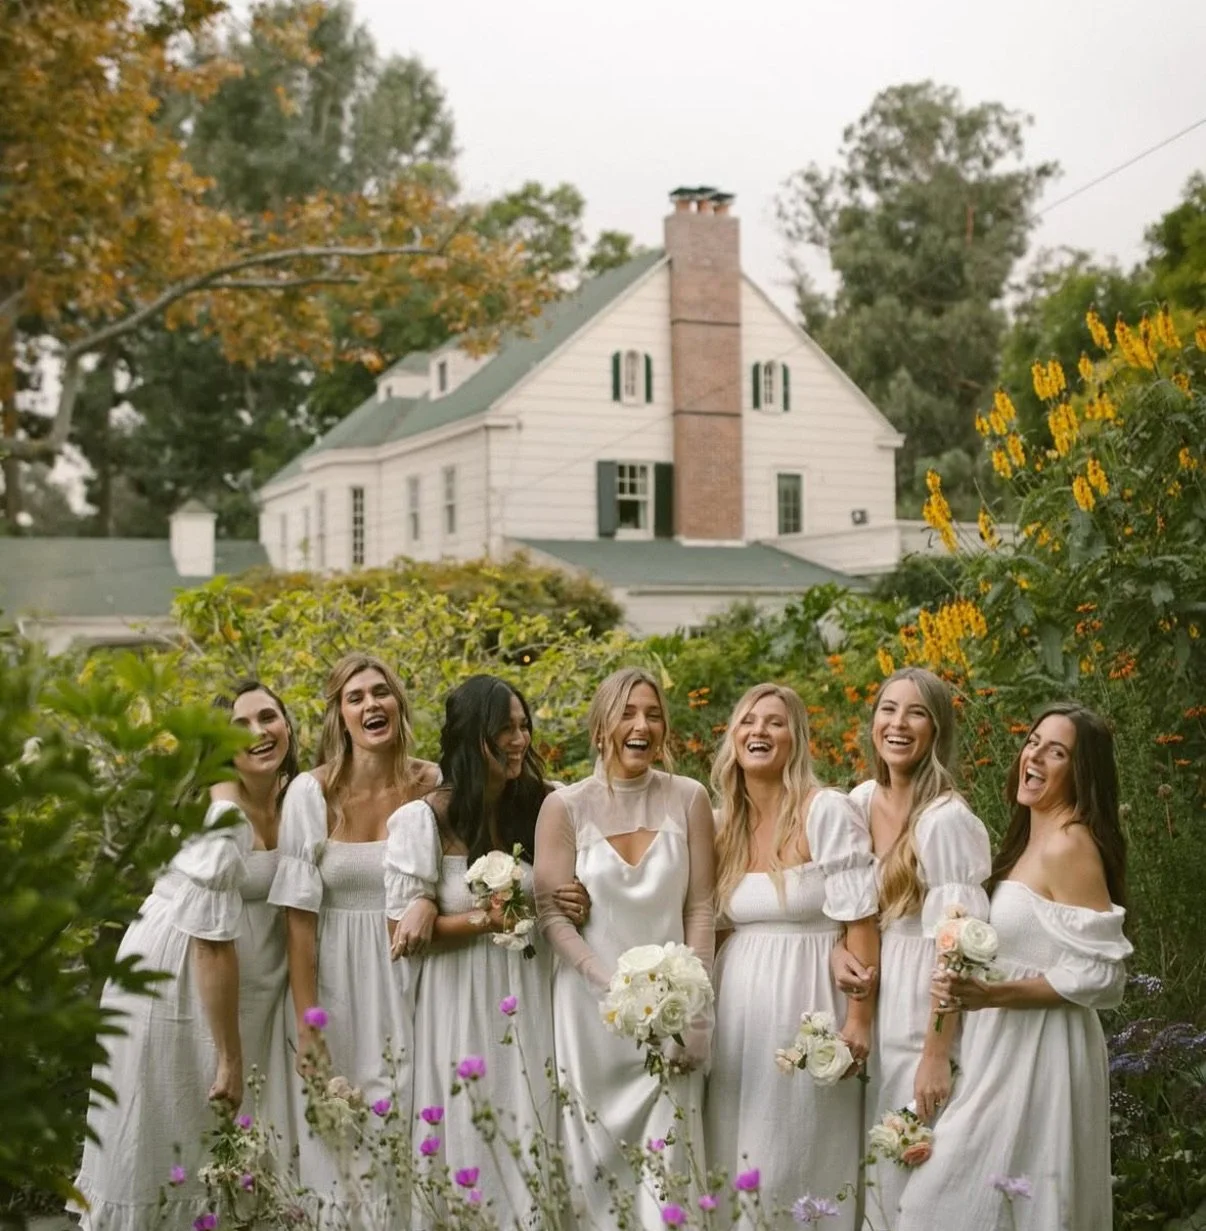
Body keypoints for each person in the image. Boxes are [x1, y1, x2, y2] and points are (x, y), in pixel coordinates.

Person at [896, 703, 1131, 1231]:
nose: (1035, 756)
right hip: (999, 1044)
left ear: (1082, 771)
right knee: (968, 1198)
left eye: (1057, 752)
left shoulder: (1070, 843)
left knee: (948, 1200)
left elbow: (1104, 976)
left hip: (1041, 1051)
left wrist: (995, 995)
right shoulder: (1030, 839)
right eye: (1033, 741)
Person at [74, 680, 299, 1231]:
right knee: (171, 1125)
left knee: (221, 1135)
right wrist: (228, 1055)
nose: (259, 732)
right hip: (176, 977)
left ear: (290, 725)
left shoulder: (296, 796)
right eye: (239, 727)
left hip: (235, 981)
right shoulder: (224, 819)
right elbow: (212, 942)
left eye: (268, 716)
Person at [385, 675, 584, 1229]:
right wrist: (481, 919)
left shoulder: (547, 806)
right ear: (473, 739)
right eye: (505, 730)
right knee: (470, 1127)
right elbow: (399, 936)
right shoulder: (422, 820)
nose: (520, 740)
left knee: (534, 1118)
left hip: (533, 995)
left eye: (524, 727)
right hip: (459, 1000)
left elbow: (568, 898)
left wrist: (578, 898)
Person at [534, 667, 716, 1230]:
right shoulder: (564, 807)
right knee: (594, 1175)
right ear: (600, 728)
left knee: (670, 1175)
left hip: (672, 1018)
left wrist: (694, 1007)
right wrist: (607, 983)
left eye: (653, 714)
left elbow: (701, 908)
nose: (642, 725)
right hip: (590, 1016)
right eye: (627, 713)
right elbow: (550, 915)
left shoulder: (689, 799)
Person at [268, 653, 439, 1219]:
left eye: (381, 692)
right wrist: (308, 1025)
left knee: (412, 1125)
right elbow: (298, 918)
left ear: (399, 703)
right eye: (356, 697)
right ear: (339, 715)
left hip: (417, 978)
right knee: (341, 1138)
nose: (372, 704)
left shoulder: (434, 784)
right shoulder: (309, 796)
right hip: (336, 983)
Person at [705, 683, 878, 1229]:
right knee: (738, 1150)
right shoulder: (720, 824)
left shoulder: (825, 810)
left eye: (775, 722)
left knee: (799, 1149)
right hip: (737, 1018)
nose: (759, 731)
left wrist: (859, 1022)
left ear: (796, 738)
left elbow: (861, 919)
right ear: (733, 737)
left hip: (809, 1006)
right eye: (749, 721)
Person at [831, 668, 992, 1230]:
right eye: (888, 709)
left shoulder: (946, 821)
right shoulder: (856, 802)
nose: (898, 724)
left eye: (916, 712)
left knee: (912, 1164)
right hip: (869, 1001)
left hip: (922, 1006)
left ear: (937, 729)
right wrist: (836, 955)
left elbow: (959, 951)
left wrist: (935, 1054)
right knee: (867, 1166)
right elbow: (850, 910)